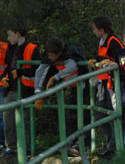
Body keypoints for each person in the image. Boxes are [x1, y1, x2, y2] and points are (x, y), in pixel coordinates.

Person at [34, 37, 90, 156]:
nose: (50, 58)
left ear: (58, 53)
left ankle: (84, 146)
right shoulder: (48, 57)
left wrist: (55, 77)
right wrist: (38, 95)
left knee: (83, 114)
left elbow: (72, 66)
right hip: (71, 87)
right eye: (48, 55)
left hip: (82, 86)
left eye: (52, 55)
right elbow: (40, 72)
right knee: (71, 114)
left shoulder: (70, 55)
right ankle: (72, 144)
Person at [88, 16, 125, 158]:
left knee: (114, 113)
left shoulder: (113, 41)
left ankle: (116, 148)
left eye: (94, 29)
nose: (93, 32)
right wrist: (96, 60)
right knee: (102, 114)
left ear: (102, 30)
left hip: (112, 83)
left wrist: (111, 64)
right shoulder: (101, 41)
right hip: (101, 82)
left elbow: (122, 59)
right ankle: (110, 145)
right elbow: (103, 58)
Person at [1, 22, 40, 155]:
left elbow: (38, 69)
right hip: (11, 89)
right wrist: (3, 78)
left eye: (10, 35)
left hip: (25, 90)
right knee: (8, 120)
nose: (8, 38)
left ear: (18, 34)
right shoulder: (10, 48)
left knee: (25, 120)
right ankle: (11, 147)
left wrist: (22, 72)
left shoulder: (32, 48)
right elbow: (7, 67)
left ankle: (27, 148)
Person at [0, 40, 7, 151]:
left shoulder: (5, 47)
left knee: (2, 116)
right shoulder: (6, 46)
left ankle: (2, 142)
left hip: (2, 85)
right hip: (4, 85)